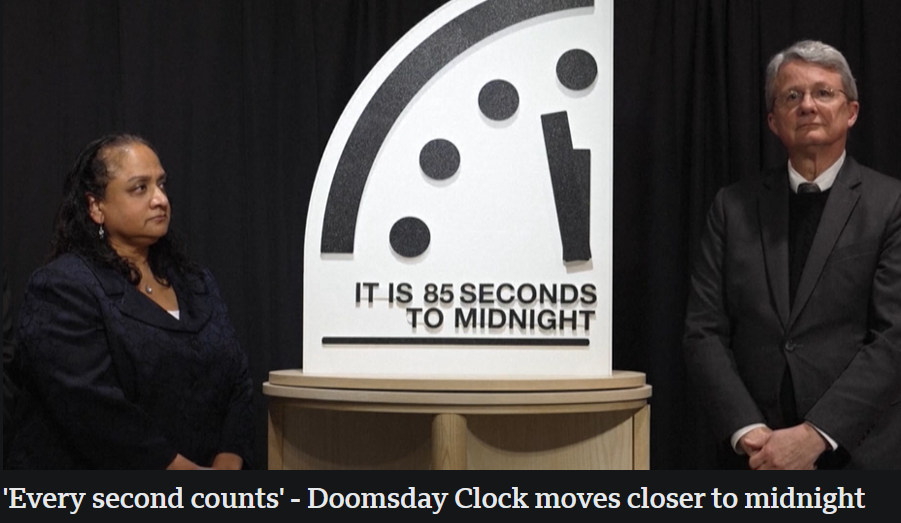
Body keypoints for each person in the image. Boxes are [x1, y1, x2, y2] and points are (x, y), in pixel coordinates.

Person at [683, 40, 901, 470]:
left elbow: (894, 336)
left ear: (851, 111)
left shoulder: (891, 204)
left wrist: (815, 435)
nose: (807, 106)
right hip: (754, 457)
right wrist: (747, 430)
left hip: (858, 456)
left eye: (823, 92)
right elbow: (703, 331)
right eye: (792, 96)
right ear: (773, 120)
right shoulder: (732, 207)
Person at [7, 134, 254, 469]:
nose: (160, 200)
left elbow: (237, 380)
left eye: (161, 185)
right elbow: (92, 410)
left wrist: (227, 466)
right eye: (140, 188)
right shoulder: (62, 287)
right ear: (96, 207)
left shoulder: (197, 282)